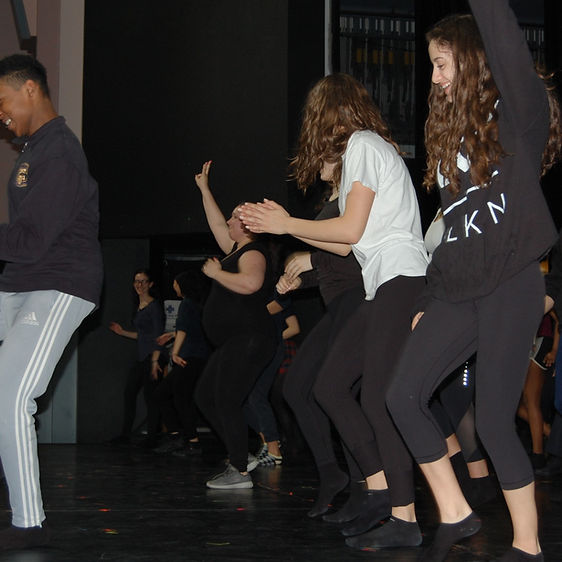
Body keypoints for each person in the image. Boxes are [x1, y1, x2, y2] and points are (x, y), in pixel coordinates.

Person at [386, 2, 562, 560]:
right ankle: (457, 512)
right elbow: (452, 234)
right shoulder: (448, 145)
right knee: (402, 395)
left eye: (442, 64)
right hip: (458, 291)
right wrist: (430, 299)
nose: (434, 77)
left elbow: (506, 42)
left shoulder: (519, 116)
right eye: (432, 66)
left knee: (491, 421)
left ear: (473, 59)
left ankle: (528, 546)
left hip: (511, 284)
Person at [240, 73, 429, 549]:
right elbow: (346, 247)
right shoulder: (365, 153)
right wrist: (290, 234)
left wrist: (284, 224)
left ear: (330, 114)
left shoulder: (364, 142)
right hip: (380, 283)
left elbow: (348, 231)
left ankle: (404, 516)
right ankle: (380, 493)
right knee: (329, 386)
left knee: (378, 397)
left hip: (401, 278)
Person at [0, 54, 103, 551]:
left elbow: (33, 240)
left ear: (30, 91)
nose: (1, 114)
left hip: (60, 285)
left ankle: (29, 523)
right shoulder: (32, 152)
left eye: (2, 101)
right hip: (19, 283)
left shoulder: (59, 152)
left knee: (11, 397)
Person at [193, 160, 276, 489]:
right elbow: (215, 222)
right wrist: (204, 189)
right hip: (235, 341)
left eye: (233, 218)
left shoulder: (253, 252)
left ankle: (239, 469)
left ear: (246, 226)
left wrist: (216, 274)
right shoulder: (235, 249)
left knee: (225, 398)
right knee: (204, 397)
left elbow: (252, 284)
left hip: (250, 338)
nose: (227, 220)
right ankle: (245, 452)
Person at [154, 271, 210, 455]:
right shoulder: (196, 305)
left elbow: (184, 329)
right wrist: (171, 335)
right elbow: (190, 329)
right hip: (198, 357)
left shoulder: (186, 304)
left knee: (176, 396)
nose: (173, 286)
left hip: (189, 357)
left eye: (176, 283)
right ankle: (180, 437)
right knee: (173, 395)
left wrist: (175, 353)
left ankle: (189, 441)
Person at [109, 269, 166, 448]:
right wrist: (122, 332)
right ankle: (125, 435)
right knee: (130, 393)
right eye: (136, 281)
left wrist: (155, 362)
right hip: (143, 356)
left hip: (153, 358)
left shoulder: (154, 307)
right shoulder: (139, 306)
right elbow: (143, 335)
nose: (139, 285)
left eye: (143, 281)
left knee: (151, 398)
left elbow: (158, 336)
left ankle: (152, 438)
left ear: (150, 284)